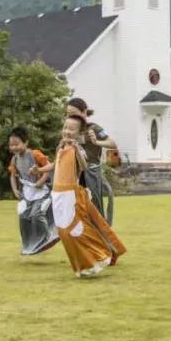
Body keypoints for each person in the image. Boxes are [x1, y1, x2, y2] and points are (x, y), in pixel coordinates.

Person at [50, 114, 127, 277]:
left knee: (75, 230)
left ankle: (101, 255)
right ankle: (83, 265)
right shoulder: (61, 147)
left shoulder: (78, 149)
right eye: (65, 128)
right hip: (58, 195)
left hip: (71, 193)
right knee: (64, 233)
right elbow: (57, 165)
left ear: (79, 133)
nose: (67, 132)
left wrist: (78, 150)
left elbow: (84, 166)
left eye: (72, 129)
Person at [63, 97, 117, 224]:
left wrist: (96, 142)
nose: (71, 116)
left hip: (91, 174)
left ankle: (102, 235)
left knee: (94, 209)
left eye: (74, 113)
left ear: (84, 112)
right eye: (68, 114)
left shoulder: (93, 128)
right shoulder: (70, 129)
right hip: (74, 173)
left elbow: (112, 143)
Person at [8, 126, 60, 256]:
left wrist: (41, 182)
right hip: (28, 192)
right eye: (11, 145)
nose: (14, 147)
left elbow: (48, 168)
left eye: (17, 144)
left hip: (42, 191)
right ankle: (29, 244)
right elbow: (13, 176)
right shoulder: (14, 159)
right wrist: (15, 189)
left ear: (25, 142)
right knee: (24, 216)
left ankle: (47, 236)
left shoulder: (35, 154)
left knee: (37, 214)